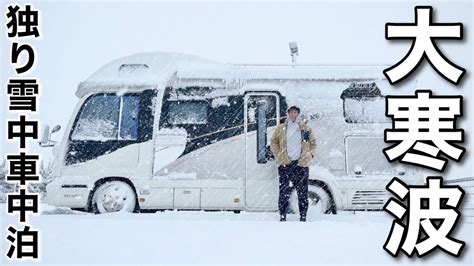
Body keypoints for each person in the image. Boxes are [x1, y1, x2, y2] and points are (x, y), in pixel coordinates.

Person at [270, 106, 316, 222]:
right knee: (284, 190)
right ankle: (282, 215)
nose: (293, 114)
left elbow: (313, 143)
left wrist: (309, 155)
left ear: (298, 114)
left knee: (302, 191)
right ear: (288, 113)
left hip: (301, 164)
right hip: (285, 163)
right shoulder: (281, 128)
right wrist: (278, 155)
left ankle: (303, 215)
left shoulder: (305, 128)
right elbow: (273, 142)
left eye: (295, 112)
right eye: (291, 112)